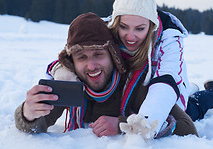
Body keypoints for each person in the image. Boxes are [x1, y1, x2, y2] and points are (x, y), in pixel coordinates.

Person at [14, 12, 198, 139]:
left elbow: (187, 128)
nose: (91, 65)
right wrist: (28, 114)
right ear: (72, 62)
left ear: (113, 56)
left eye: (98, 55)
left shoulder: (136, 85)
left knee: (193, 108)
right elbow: (36, 124)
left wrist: (122, 126)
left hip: (175, 92)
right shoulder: (69, 85)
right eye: (82, 57)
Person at [107, 0, 213, 129]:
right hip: (134, 96)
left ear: (151, 25)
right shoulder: (105, 35)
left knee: (189, 111)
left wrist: (143, 125)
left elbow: (165, 84)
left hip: (167, 94)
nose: (130, 36)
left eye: (140, 29)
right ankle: (191, 88)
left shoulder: (169, 39)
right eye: (124, 27)